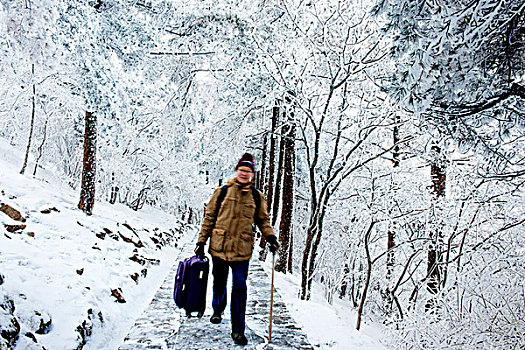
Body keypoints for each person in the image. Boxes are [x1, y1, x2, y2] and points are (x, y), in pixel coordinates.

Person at [195, 152, 280, 346]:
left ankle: (238, 329)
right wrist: (201, 242)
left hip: (242, 249)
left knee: (240, 287)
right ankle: (218, 308)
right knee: (219, 281)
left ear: (252, 174)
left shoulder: (257, 197)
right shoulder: (222, 192)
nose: (244, 174)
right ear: (237, 171)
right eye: (242, 170)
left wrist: (270, 237)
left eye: (248, 171)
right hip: (219, 246)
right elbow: (209, 217)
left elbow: (263, 220)